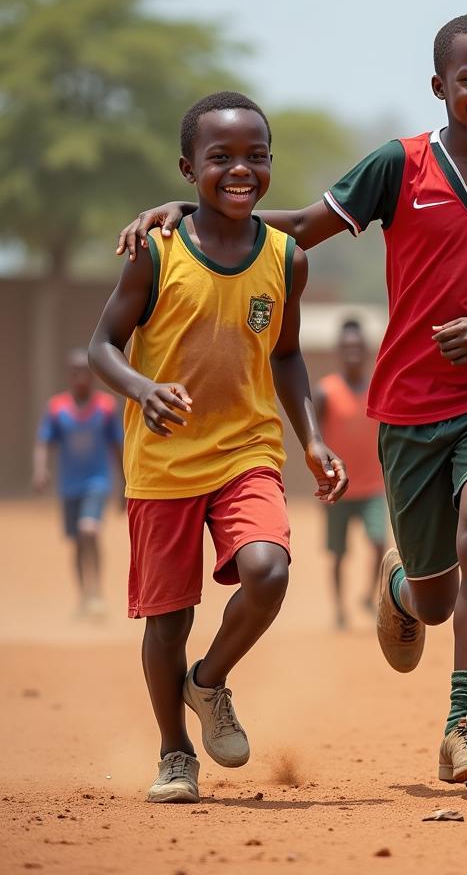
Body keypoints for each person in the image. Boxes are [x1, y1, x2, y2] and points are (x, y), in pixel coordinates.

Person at [113, 15, 467, 787]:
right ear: (440, 87)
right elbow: (297, 230)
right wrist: (190, 212)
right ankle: (402, 582)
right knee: (434, 599)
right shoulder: (401, 166)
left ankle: (465, 726)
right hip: (411, 403)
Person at [90, 91, 346, 805]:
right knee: (167, 621)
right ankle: (174, 753)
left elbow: (288, 354)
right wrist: (142, 389)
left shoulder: (286, 258)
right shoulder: (156, 249)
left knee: (269, 571)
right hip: (164, 463)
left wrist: (314, 439)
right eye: (221, 157)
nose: (242, 169)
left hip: (247, 452)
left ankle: (208, 683)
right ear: (187, 168)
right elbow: (102, 344)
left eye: (256, 156)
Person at [33, 347, 123, 617]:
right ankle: (84, 596)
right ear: (69, 375)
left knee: (89, 531)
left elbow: (117, 445)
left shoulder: (106, 407)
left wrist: (125, 484)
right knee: (77, 541)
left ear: (93, 376)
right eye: (75, 372)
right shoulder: (57, 408)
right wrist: (40, 471)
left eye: (85, 371)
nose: (80, 376)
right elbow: (43, 442)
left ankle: (97, 593)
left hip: (97, 482)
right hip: (69, 486)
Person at [316, 317, 389, 628]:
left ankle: (367, 596)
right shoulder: (325, 392)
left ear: (367, 350)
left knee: (377, 543)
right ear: (338, 352)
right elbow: (314, 439)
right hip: (338, 488)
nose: (353, 353)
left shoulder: (378, 388)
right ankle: (339, 610)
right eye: (347, 348)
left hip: (372, 486)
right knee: (338, 553)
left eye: (358, 347)